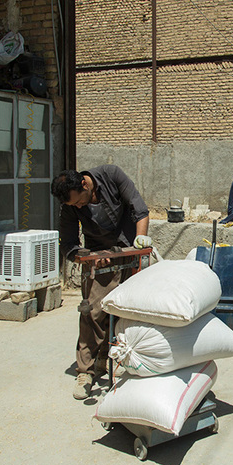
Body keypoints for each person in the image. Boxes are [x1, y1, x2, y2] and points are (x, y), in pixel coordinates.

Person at [51, 165, 151, 400]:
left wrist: (141, 241)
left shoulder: (111, 176)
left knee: (129, 313)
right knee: (93, 314)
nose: (78, 207)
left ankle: (123, 364)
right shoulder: (70, 205)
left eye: (79, 202)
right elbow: (68, 243)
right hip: (99, 256)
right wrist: (90, 257)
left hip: (130, 249)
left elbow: (140, 209)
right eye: (73, 206)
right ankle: (85, 371)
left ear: (85, 185)